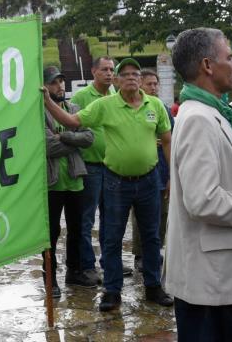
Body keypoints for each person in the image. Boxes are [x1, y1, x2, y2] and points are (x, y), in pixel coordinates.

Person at [164, 28, 232, 342]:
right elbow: (201, 200)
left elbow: (217, 175)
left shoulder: (210, 112)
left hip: (216, 271)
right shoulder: (199, 118)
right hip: (208, 276)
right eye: (229, 57)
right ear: (207, 65)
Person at [44, 57, 173, 312]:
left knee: (151, 236)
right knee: (112, 238)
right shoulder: (105, 105)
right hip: (116, 182)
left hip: (149, 181)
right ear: (117, 79)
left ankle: (153, 285)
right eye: (124, 74)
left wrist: (172, 175)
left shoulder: (155, 105)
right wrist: (47, 101)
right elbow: (73, 122)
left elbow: (167, 140)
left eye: (135, 73)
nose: (131, 78)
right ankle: (112, 291)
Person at [68, 56, 130, 286]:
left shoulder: (116, 95)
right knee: (87, 219)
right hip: (91, 166)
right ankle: (87, 265)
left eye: (112, 69)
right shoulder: (81, 97)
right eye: (104, 69)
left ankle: (110, 261)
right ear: (93, 71)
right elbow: (71, 126)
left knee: (112, 217)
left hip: (113, 166)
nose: (109, 73)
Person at [41, 66, 95, 296]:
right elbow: (46, 146)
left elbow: (89, 137)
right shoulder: (38, 113)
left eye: (61, 81)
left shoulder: (73, 108)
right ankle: (49, 278)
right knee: (51, 232)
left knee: (76, 229)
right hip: (51, 182)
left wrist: (62, 135)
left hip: (75, 179)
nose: (60, 86)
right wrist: (74, 140)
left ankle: (74, 271)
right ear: (44, 86)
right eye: (54, 82)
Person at [131, 69, 171, 273]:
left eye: (156, 84)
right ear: (140, 85)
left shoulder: (162, 107)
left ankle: (156, 250)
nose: (154, 87)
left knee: (162, 214)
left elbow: (170, 139)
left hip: (162, 169)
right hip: (142, 170)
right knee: (141, 215)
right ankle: (140, 253)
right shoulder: (133, 108)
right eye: (149, 84)